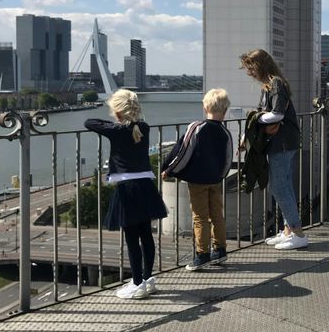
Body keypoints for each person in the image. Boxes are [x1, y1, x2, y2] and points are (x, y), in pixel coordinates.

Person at [85, 89, 167, 299]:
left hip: (127, 189)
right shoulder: (144, 127)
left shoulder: (117, 130)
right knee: (146, 235)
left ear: (119, 113)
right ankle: (148, 280)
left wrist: (116, 124)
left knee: (132, 238)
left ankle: (137, 283)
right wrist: (124, 122)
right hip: (145, 185)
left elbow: (89, 122)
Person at [240, 49, 307, 250]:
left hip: (282, 143)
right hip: (282, 142)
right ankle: (289, 230)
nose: (249, 72)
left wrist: (255, 119)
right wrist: (251, 127)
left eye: (250, 68)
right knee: (283, 186)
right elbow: (268, 114)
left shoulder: (276, 84)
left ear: (259, 66)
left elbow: (276, 114)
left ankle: (297, 233)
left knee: (279, 187)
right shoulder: (272, 84)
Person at [161, 88, 234, 271]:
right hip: (215, 179)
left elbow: (184, 152)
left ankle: (202, 254)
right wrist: (221, 175)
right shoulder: (225, 133)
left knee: (200, 217)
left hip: (197, 181)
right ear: (225, 111)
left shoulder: (196, 127)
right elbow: (228, 158)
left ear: (205, 106)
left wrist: (169, 170)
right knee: (217, 214)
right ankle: (220, 249)